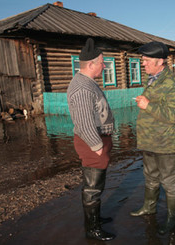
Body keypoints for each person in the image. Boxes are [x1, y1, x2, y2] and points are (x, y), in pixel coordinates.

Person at [130, 41, 175, 235]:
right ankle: (149, 207)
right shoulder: (153, 79)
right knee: (151, 177)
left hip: (166, 143)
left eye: (146, 60)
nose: (143, 64)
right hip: (149, 141)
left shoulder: (173, 83)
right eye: (143, 60)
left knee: (170, 181)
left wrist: (148, 106)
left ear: (160, 61)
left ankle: (173, 218)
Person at [67, 38, 115, 241]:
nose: (104, 66)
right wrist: (97, 147)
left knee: (96, 185)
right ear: (91, 64)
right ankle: (92, 229)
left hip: (97, 141)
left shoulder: (87, 83)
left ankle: (95, 219)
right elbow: (85, 123)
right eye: (103, 62)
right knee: (92, 188)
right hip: (92, 143)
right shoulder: (82, 88)